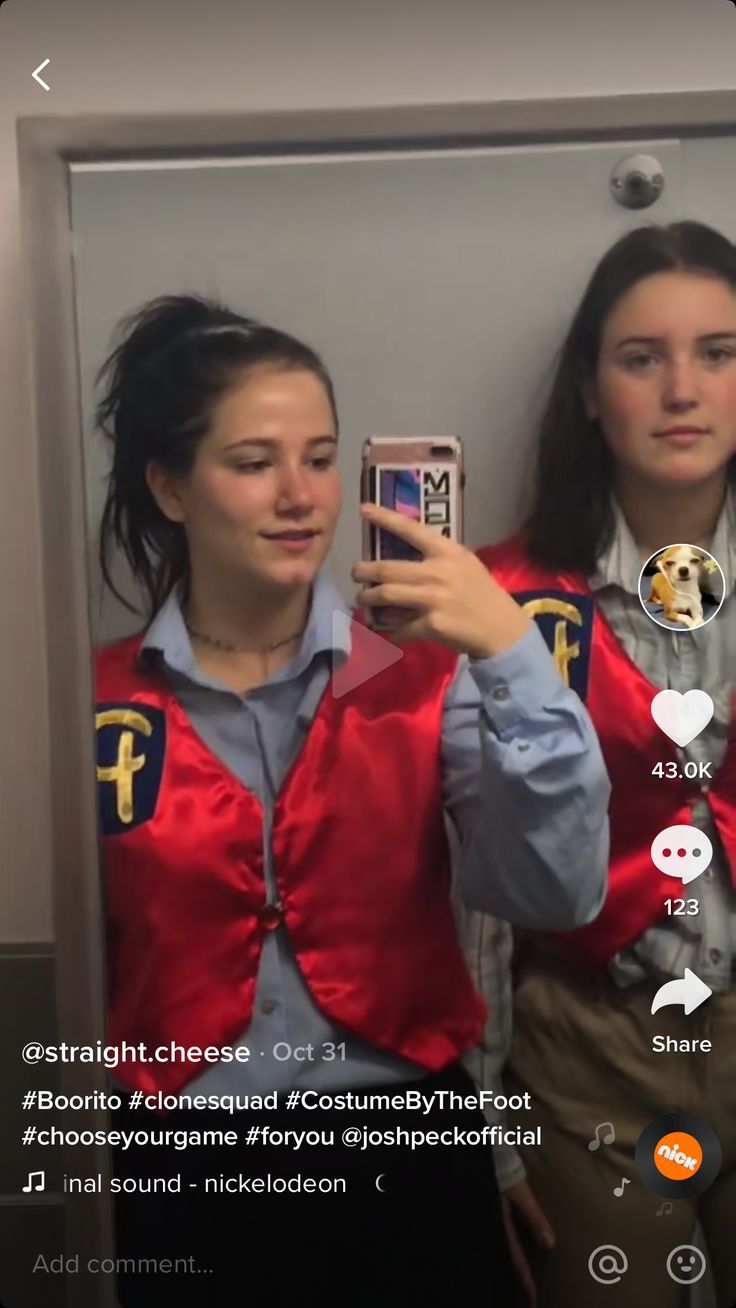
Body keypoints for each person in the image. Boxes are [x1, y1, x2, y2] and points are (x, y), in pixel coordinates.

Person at [92, 294, 609, 1306]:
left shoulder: (425, 677)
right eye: (253, 463)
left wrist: (508, 651)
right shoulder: (94, 703)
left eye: (321, 458)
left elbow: (555, 891)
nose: (301, 495)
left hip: (406, 1158)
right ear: (171, 488)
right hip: (183, 1167)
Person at [472, 220, 736, 1307]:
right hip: (585, 1055)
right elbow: (474, 887)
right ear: (590, 390)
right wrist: (484, 1126)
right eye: (641, 357)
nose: (682, 388)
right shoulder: (500, 601)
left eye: (718, 353)